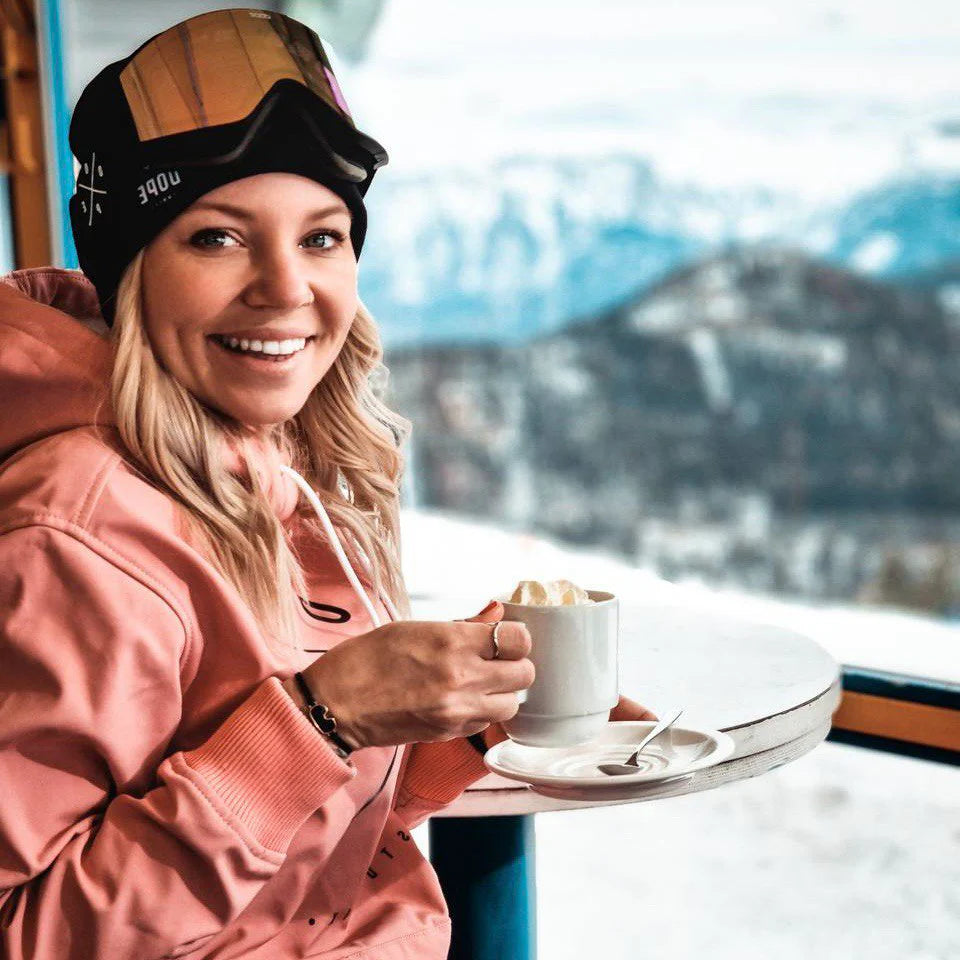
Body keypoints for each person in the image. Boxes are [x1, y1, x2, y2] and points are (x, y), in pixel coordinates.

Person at [0, 9, 655, 958]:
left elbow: (302, 852)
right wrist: (321, 720)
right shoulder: (77, 536)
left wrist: (450, 714)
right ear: (131, 270)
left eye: (322, 238)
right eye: (218, 238)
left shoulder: (261, 460)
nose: (285, 288)